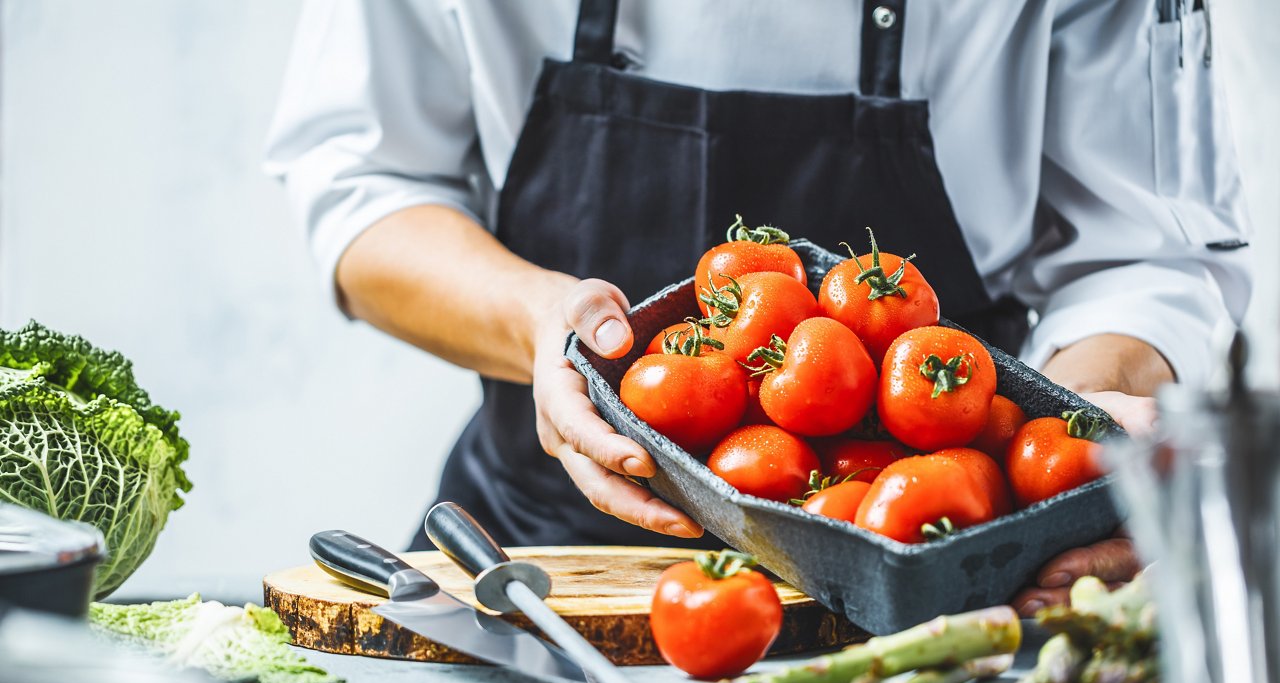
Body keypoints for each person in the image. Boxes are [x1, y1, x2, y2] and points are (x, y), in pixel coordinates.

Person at [264, 0, 1251, 615]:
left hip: (939, 575)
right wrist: (542, 318)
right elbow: (362, 185)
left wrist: (1055, 468)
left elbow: (1140, 256)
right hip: (534, 563)